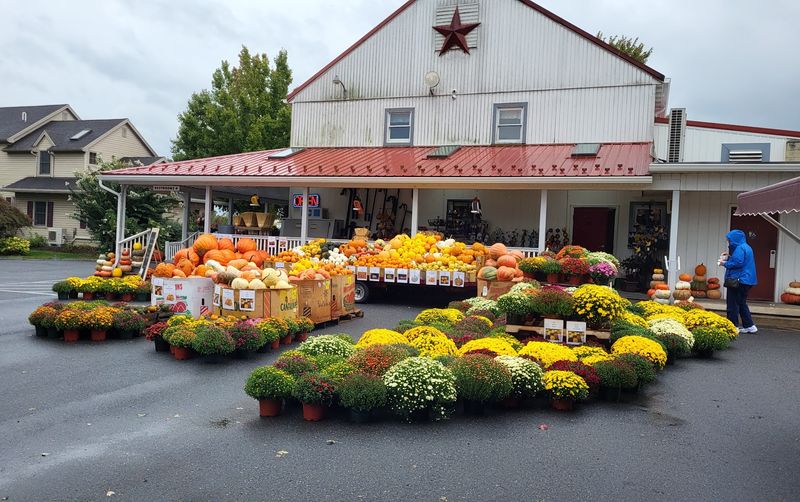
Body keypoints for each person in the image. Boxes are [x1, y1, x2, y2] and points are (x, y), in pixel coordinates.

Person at [719, 229, 758, 333]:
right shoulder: (746, 247)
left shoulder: (739, 248)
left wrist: (724, 263)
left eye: (729, 240)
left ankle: (732, 327)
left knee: (732, 304)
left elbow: (738, 263)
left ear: (734, 239)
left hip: (738, 280)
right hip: (747, 280)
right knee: (741, 303)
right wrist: (729, 258)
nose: (729, 242)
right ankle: (749, 326)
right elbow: (741, 261)